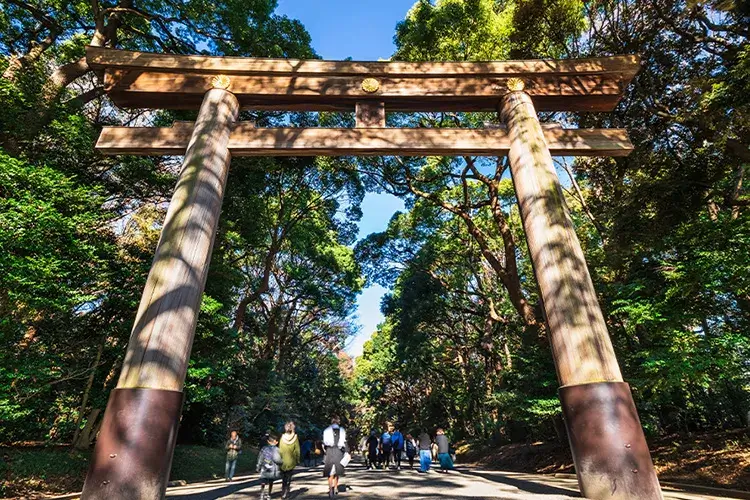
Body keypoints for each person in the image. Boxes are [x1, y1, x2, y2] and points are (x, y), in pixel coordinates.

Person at [323, 416, 347, 498]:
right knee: (337, 471)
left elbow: (325, 443)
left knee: (330, 473)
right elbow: (343, 443)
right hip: (338, 451)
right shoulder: (342, 430)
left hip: (330, 451)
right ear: (338, 422)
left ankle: (330, 490)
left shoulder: (326, 430)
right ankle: (336, 487)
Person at [257, 433, 283, 500]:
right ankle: (269, 494)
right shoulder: (277, 450)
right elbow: (277, 460)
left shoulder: (264, 448)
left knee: (263, 481)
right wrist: (281, 462)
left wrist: (258, 466)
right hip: (272, 469)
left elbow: (260, 458)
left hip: (264, 468)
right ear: (276, 442)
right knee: (271, 482)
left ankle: (262, 494)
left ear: (268, 441)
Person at [279, 421, 301, 499]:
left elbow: (280, 450)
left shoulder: (282, 437)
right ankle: (287, 491)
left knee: (283, 477)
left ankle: (283, 492)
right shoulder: (295, 437)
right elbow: (297, 450)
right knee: (289, 476)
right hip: (291, 461)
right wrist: (298, 459)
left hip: (283, 461)